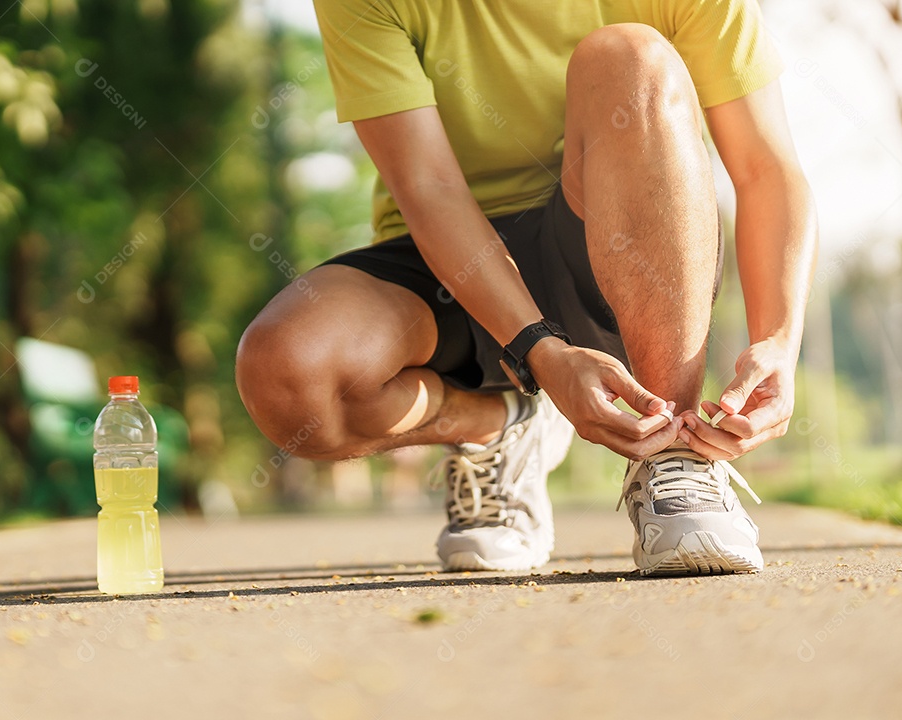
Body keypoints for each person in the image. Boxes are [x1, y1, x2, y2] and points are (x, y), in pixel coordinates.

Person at [235, 0, 817, 576]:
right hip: (452, 257)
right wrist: (540, 349)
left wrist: (781, 342)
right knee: (288, 375)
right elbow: (428, 184)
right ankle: (498, 421)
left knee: (628, 54)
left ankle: (679, 459)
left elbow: (766, 167)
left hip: (613, 243)